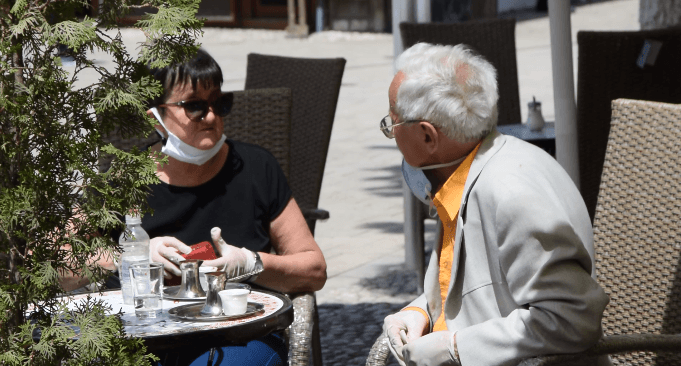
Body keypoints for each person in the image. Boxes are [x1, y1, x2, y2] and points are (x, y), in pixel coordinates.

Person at [66, 48, 326, 365]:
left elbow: (314, 269)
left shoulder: (256, 167)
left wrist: (251, 263)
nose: (213, 117)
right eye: (195, 107)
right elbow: (60, 264)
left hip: (237, 333)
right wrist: (128, 258)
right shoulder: (123, 180)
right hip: (145, 337)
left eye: (220, 103)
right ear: (156, 117)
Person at [380, 43, 610, 366]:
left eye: (392, 123)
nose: (391, 133)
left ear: (428, 137)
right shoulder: (460, 174)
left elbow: (573, 319)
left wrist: (456, 348)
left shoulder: (509, 193)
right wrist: (420, 310)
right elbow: (482, 288)